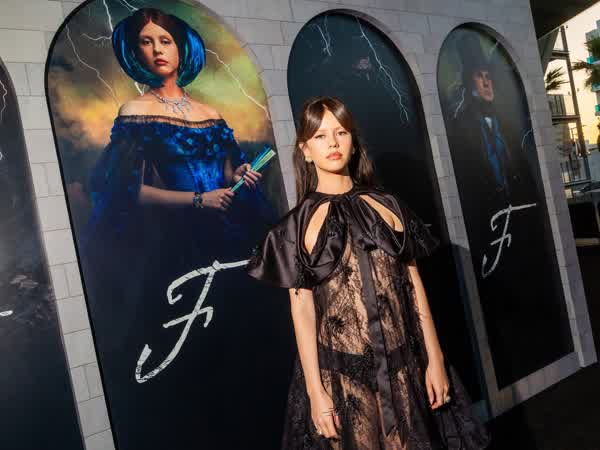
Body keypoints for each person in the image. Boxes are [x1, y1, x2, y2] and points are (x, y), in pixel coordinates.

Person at [80, 8, 287, 449]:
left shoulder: (210, 112)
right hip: (176, 244)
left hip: (232, 236)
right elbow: (129, 192)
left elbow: (228, 171)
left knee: (245, 342)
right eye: (146, 42)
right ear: (135, 51)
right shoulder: (135, 111)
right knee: (193, 351)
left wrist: (240, 175)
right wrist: (197, 199)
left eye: (165, 41)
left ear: (181, 49)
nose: (157, 50)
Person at [246, 96, 491, 449]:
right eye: (320, 136)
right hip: (341, 377)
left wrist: (435, 358)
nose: (332, 143)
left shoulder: (388, 206)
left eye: (341, 132)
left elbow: (414, 286)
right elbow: (302, 312)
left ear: (353, 141)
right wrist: (315, 392)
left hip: (404, 366)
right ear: (305, 150)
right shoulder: (294, 229)